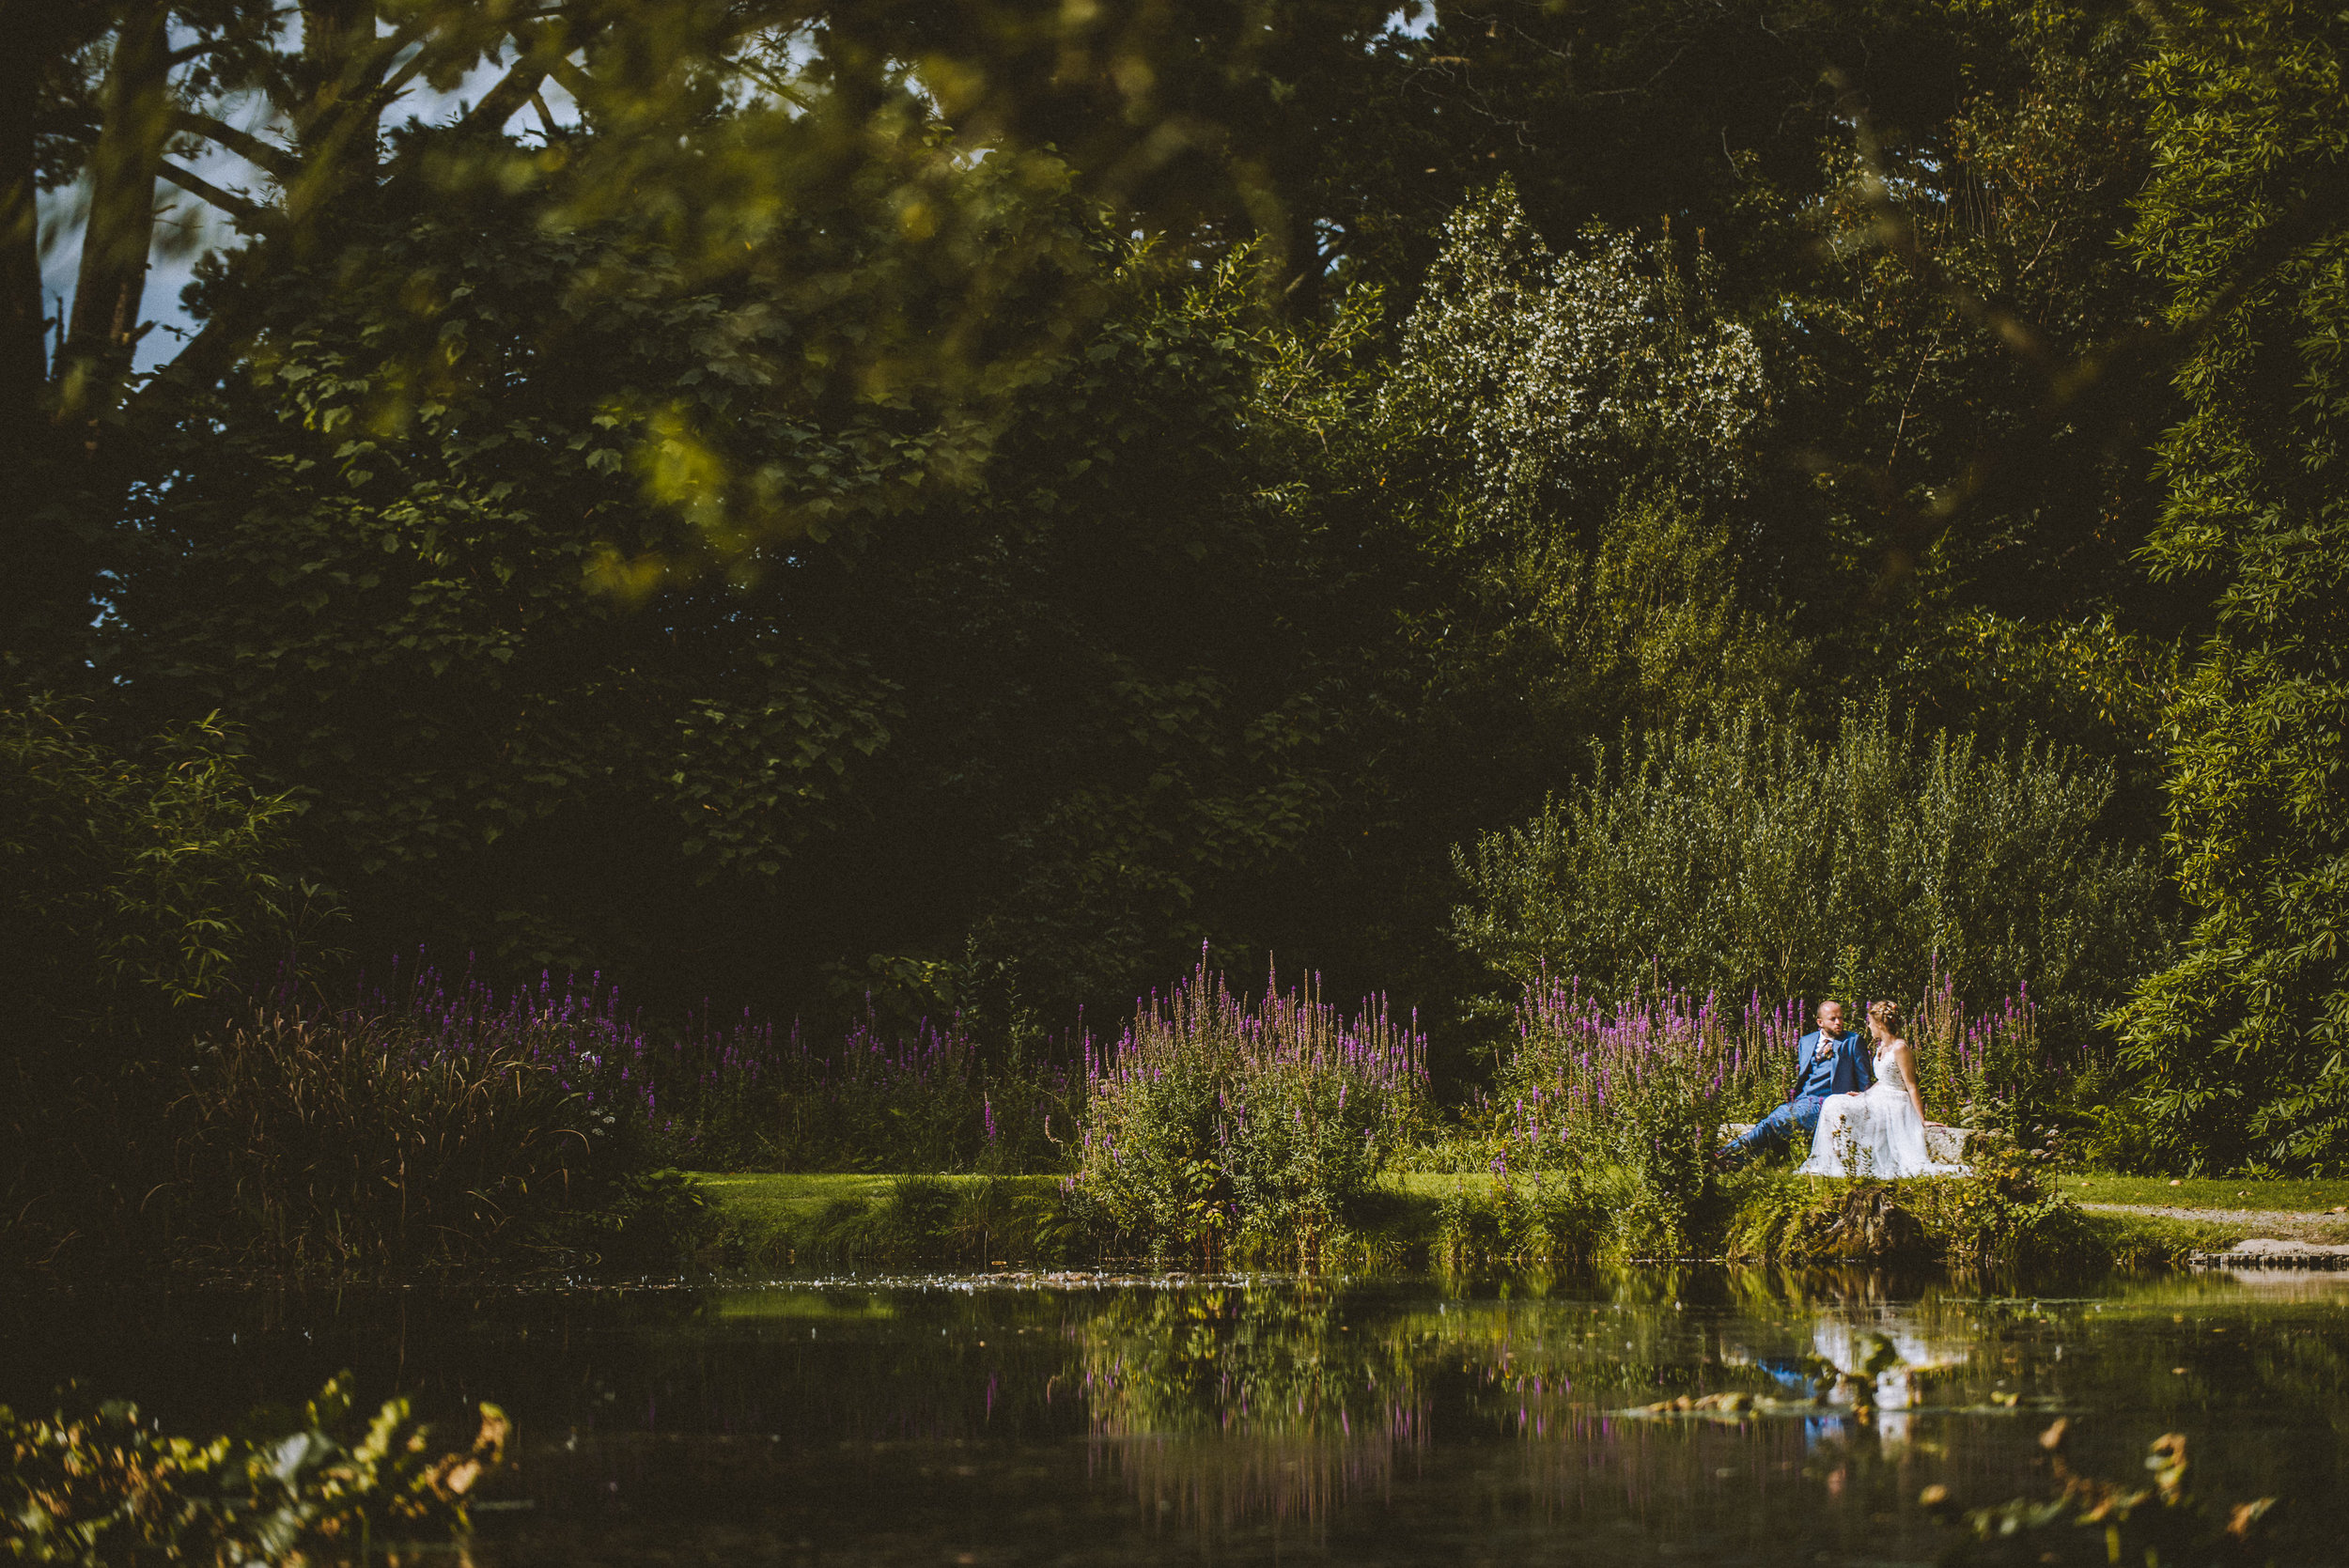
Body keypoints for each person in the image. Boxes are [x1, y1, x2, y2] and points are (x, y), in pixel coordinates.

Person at [1797, 1000, 1966, 1178]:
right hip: (1878, 1095)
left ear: (1879, 1025)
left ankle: (1851, 1161)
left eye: (1870, 1023)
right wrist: (1863, 1095)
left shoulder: (1900, 1048)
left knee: (1837, 1105)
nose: (1868, 1027)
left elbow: (1911, 1085)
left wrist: (1921, 1119)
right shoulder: (1882, 1047)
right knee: (1834, 1102)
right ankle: (1841, 1160)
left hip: (1894, 1103)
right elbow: (1883, 1080)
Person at [1714, 1000, 1874, 1170]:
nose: (1838, 1023)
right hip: (1802, 1100)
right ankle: (1733, 1163)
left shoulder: (1853, 1041)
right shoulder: (1807, 1041)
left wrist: (1863, 1102)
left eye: (1841, 1018)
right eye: (1832, 1019)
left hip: (1828, 1102)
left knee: (1773, 1122)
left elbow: (1864, 1081)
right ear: (1820, 1022)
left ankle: (1721, 1155)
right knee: (1774, 1127)